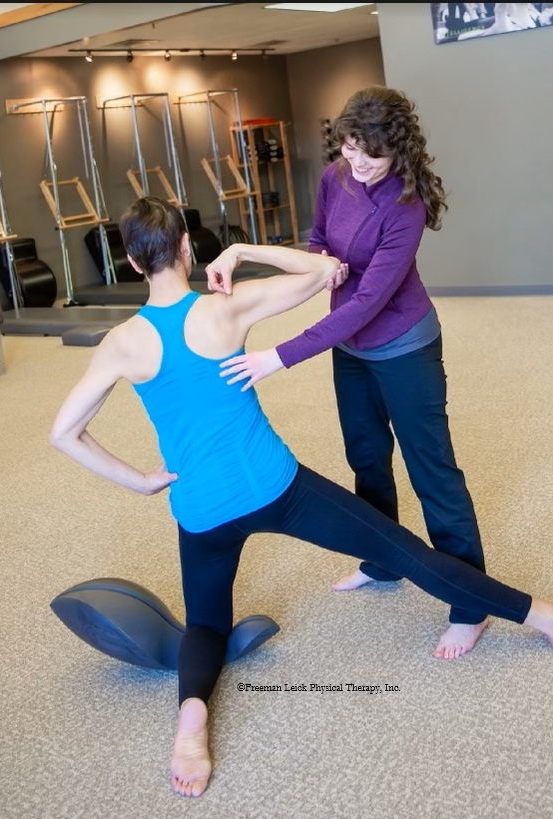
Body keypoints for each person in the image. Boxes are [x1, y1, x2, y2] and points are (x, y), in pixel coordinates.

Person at [49, 196, 553, 799]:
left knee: (205, 623)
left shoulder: (121, 343)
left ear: (129, 259)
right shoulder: (227, 308)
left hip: (200, 509)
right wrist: (245, 250)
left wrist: (141, 481)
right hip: (275, 486)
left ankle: (190, 724)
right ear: (185, 248)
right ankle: (546, 615)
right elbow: (323, 268)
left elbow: (63, 433)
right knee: (408, 553)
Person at [210, 85, 490, 660]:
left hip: (404, 345)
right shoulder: (336, 176)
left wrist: (276, 356)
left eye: (372, 155)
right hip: (353, 349)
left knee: (430, 468)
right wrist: (323, 269)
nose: (358, 163)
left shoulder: (405, 205)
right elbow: (317, 241)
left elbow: (369, 303)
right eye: (350, 147)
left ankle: (471, 604)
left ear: (399, 153)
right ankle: (383, 562)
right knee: (366, 458)